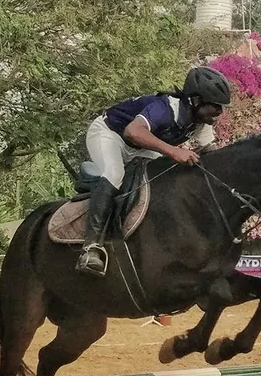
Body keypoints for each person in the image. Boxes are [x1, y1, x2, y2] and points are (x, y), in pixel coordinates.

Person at [76, 66, 232, 276]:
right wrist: (173, 152)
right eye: (215, 106)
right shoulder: (165, 108)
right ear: (195, 100)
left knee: (165, 180)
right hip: (110, 134)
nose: (219, 112)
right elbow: (132, 132)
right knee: (114, 175)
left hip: (141, 147)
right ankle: (91, 247)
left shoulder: (200, 123)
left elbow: (212, 155)